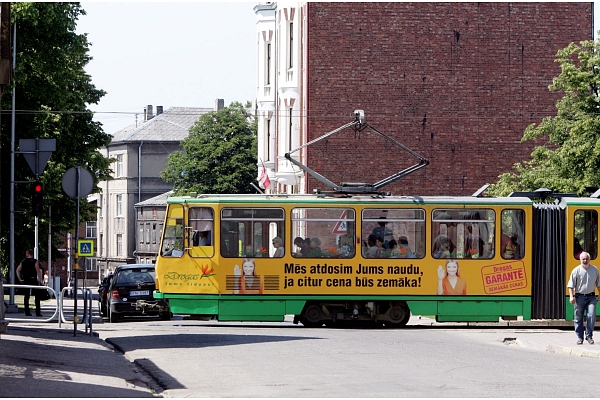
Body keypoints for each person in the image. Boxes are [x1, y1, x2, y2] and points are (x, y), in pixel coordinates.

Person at [567, 251, 600, 345]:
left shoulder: (595, 269)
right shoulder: (576, 270)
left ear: (589, 259)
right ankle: (579, 337)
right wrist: (571, 296)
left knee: (591, 316)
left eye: (587, 259)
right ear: (580, 260)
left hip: (591, 297)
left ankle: (589, 336)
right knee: (578, 318)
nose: (585, 261)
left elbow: (598, 284)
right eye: (583, 259)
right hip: (579, 297)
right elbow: (571, 285)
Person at [16, 249, 44, 317]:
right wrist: (41, 280)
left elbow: (17, 270)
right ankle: (38, 312)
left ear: (28, 254)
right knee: (37, 296)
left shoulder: (23, 262)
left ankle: (27, 312)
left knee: (26, 296)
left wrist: (20, 279)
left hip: (26, 280)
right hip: (33, 279)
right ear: (31, 254)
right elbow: (38, 271)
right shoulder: (35, 261)